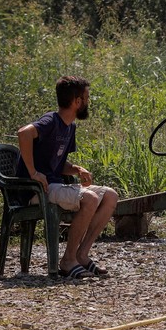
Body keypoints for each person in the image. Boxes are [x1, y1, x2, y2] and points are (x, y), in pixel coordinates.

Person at [16, 75, 118, 279]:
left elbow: (58, 163)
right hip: (37, 190)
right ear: (77, 101)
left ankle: (81, 255)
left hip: (55, 186)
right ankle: (67, 260)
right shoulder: (51, 121)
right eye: (86, 98)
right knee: (89, 198)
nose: (88, 102)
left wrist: (78, 169)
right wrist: (33, 173)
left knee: (110, 196)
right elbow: (23, 133)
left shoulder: (69, 127)